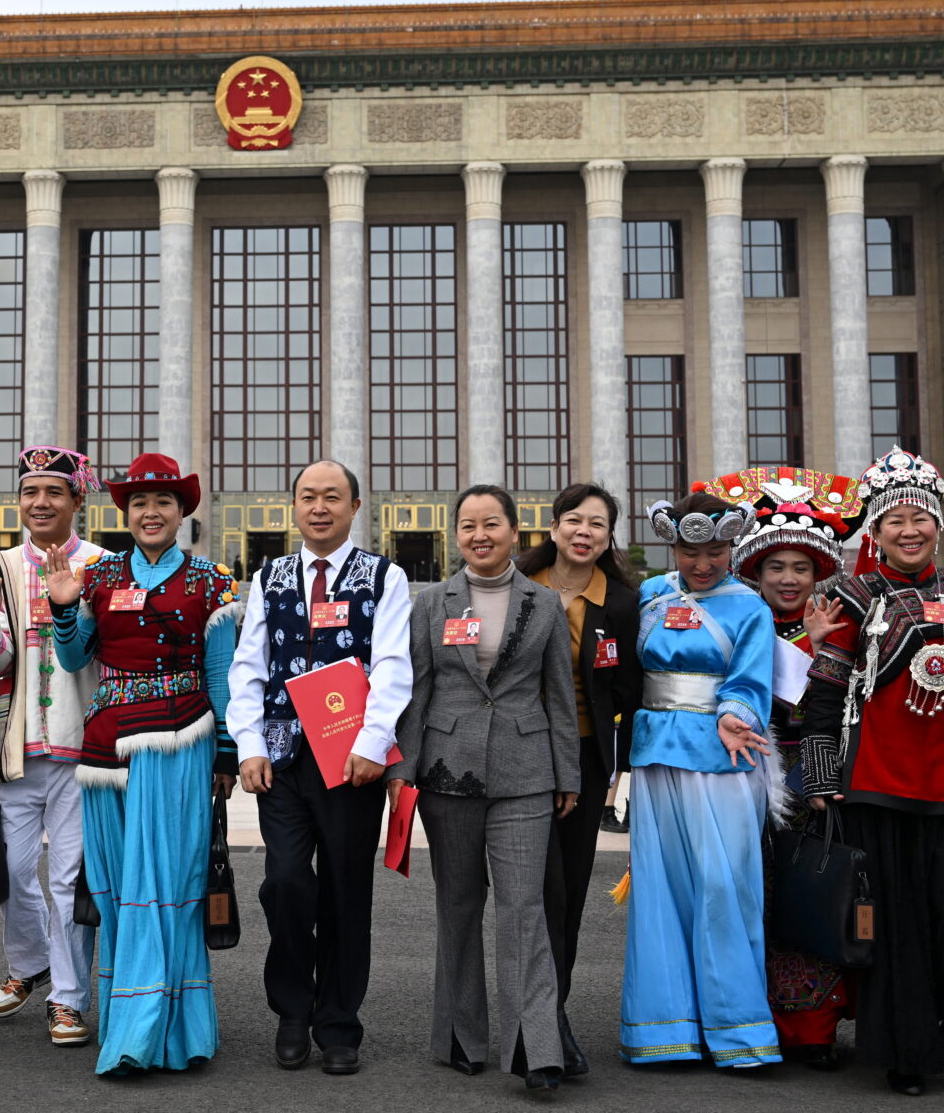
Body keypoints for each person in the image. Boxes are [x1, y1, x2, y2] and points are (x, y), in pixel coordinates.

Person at [800, 447, 944, 1096]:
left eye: (919, 517)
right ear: (875, 530)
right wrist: (819, 774)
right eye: (893, 519)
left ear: (938, 524)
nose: (908, 529)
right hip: (877, 786)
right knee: (890, 928)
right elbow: (825, 691)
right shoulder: (850, 596)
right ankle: (907, 1047)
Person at [45, 451, 239, 1075]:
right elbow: (75, 661)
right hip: (106, 751)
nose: (150, 513)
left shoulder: (213, 581)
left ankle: (154, 1033)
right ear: (124, 513)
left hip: (182, 742)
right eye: (138, 503)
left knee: (170, 886)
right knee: (120, 888)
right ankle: (132, 1020)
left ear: (183, 512)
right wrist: (65, 608)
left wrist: (229, 749)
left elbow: (220, 673)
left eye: (163, 502)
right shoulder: (96, 577)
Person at [228, 460, 414, 1076]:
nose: (319, 507)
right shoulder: (271, 576)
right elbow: (248, 667)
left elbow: (391, 665)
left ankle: (337, 1022)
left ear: (355, 506)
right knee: (283, 884)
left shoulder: (383, 577)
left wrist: (373, 740)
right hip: (281, 757)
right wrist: (248, 744)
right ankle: (290, 1009)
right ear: (295, 506)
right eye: (308, 496)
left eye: (332, 497)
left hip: (350, 760)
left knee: (344, 891)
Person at [391, 484, 577, 1093]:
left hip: (526, 772)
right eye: (468, 525)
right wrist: (402, 772)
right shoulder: (431, 603)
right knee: (458, 906)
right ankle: (459, 1037)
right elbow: (415, 693)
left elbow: (560, 697)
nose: (479, 535)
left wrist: (566, 773)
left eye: (491, 523)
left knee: (524, 909)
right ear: (456, 534)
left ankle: (537, 1047)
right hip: (446, 771)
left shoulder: (545, 603)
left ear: (515, 531)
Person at [701, 466, 867, 1068]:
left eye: (801, 567)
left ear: (818, 573)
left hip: (815, 781)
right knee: (741, 897)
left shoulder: (846, 626)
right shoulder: (730, 620)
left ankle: (813, 1027)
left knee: (814, 894)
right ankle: (737, 1018)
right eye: (776, 567)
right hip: (735, 776)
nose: (789, 578)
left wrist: (822, 653)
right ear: (756, 572)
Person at [619, 490, 780, 1070]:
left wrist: (735, 714)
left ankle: (739, 1031)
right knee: (659, 891)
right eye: (691, 551)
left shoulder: (750, 607)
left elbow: (750, 678)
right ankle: (665, 1027)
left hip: (722, 755)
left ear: (732, 547)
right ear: (673, 547)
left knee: (724, 886)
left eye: (715, 550)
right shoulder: (650, 595)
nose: (703, 563)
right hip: (656, 754)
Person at [0, 448, 106, 1046]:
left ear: (77, 500)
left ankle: (68, 998)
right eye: (31, 493)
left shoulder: (106, 566)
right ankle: (30, 963)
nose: (41, 503)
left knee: (68, 879)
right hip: (13, 751)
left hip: (83, 749)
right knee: (12, 870)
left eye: (54, 492)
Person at [519, 482, 640, 1076]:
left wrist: (619, 770)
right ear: (554, 527)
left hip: (585, 763)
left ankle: (553, 1015)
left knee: (564, 894)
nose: (584, 531)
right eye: (574, 520)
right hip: (514, 759)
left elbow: (629, 690)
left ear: (609, 536)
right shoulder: (517, 587)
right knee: (529, 894)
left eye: (598, 523)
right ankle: (531, 1017)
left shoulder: (619, 603)